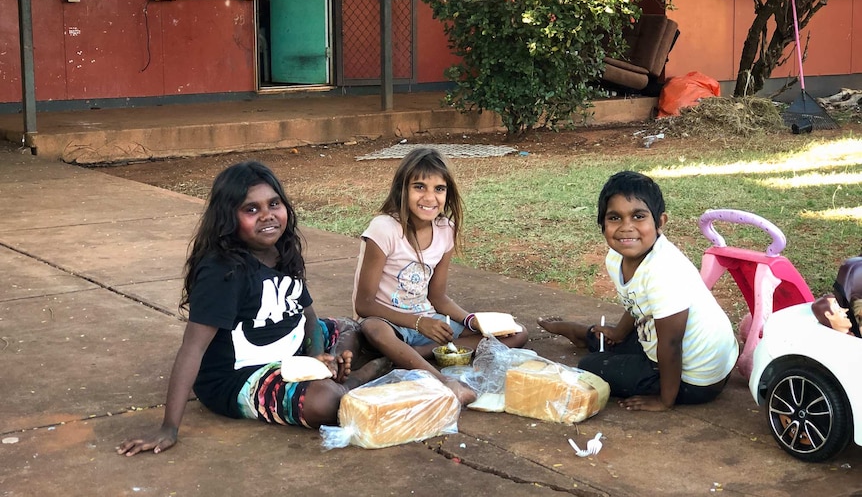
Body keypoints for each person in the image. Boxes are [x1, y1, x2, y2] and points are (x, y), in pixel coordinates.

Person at [117, 161, 388, 456]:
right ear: (228, 218)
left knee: (352, 327)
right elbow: (192, 348)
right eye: (251, 209)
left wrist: (317, 359)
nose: (267, 216)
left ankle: (336, 367)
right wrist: (168, 428)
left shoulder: (282, 248)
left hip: (291, 348)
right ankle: (361, 377)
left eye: (274, 204)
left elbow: (307, 314)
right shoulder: (223, 271)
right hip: (241, 375)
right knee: (325, 402)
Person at [538, 170, 738, 412]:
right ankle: (588, 336)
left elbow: (671, 344)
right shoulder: (616, 258)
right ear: (602, 225)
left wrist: (665, 400)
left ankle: (591, 341)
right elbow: (637, 304)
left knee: (592, 365)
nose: (626, 227)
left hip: (696, 380)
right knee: (615, 341)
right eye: (614, 218)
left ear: (660, 223)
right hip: (680, 349)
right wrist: (620, 333)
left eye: (638, 216)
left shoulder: (663, 271)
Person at [353, 147, 528, 405]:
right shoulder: (384, 229)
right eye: (419, 187)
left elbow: (438, 296)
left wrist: (471, 321)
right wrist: (417, 324)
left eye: (439, 189)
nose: (430, 197)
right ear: (403, 189)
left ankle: (412, 356)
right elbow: (364, 304)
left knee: (517, 332)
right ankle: (442, 380)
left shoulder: (445, 230)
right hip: (386, 320)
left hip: (426, 321)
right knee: (375, 331)